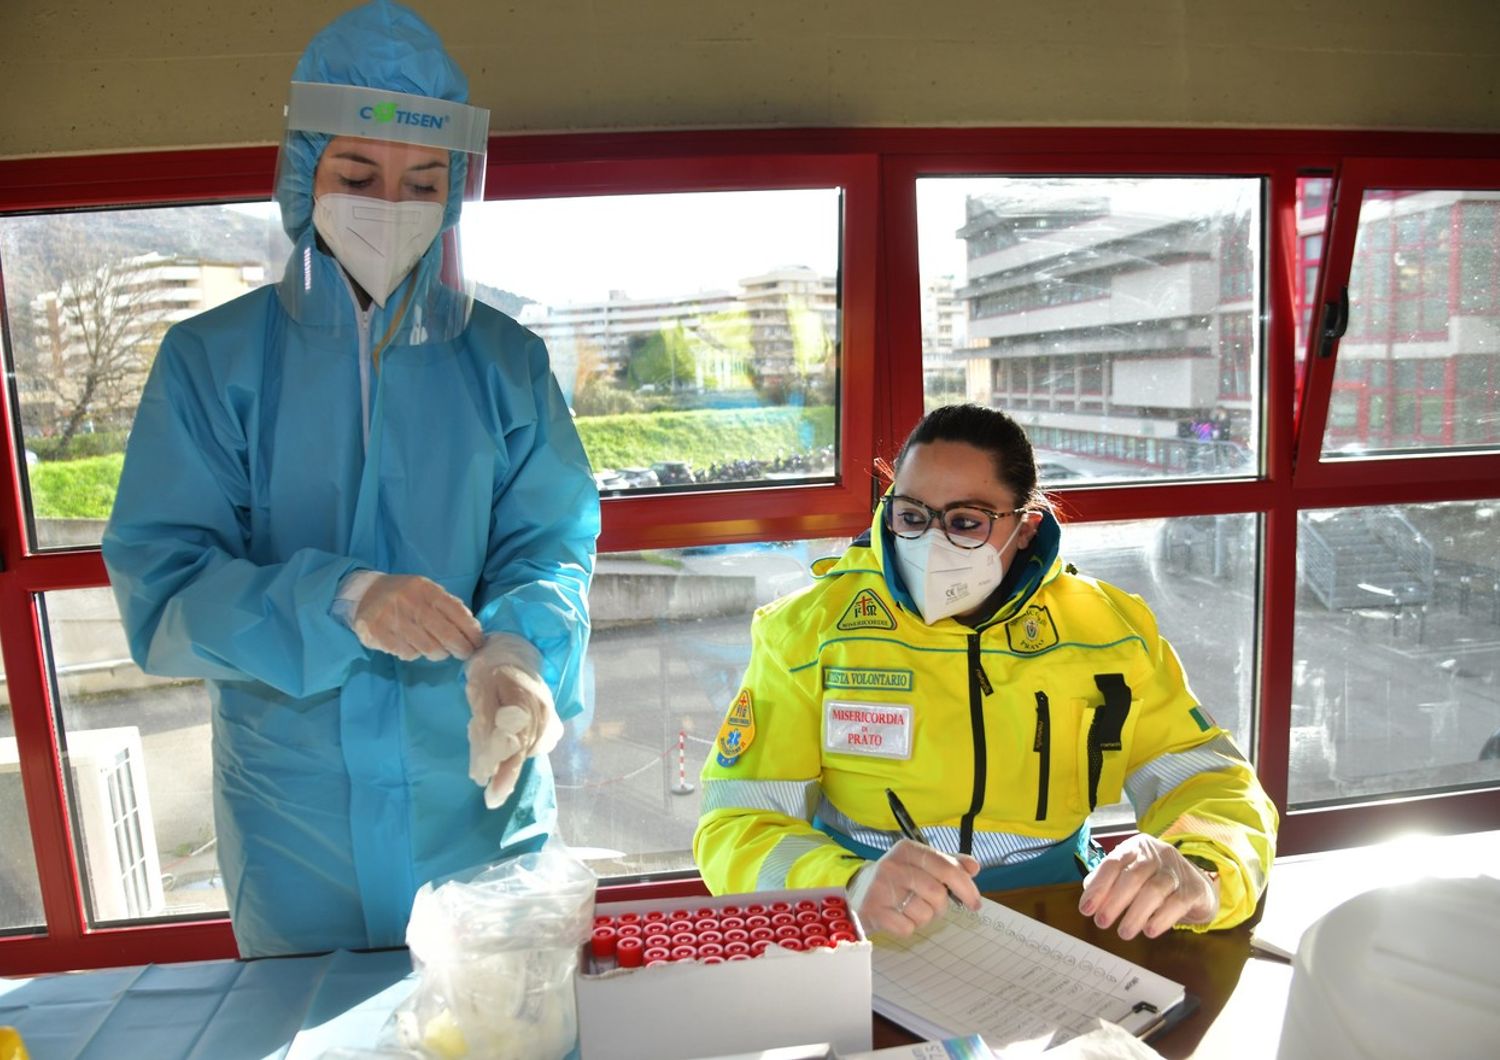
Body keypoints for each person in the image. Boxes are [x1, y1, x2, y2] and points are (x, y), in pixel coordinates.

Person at [101, 0, 598, 957]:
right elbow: (163, 590)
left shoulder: (507, 362)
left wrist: (518, 655)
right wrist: (346, 599)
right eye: (358, 173)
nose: (390, 206)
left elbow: (551, 542)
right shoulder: (213, 360)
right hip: (298, 829)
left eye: (423, 182)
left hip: (477, 800)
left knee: (504, 1026)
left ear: (454, 192)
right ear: (303, 174)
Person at [693, 404, 1276, 940]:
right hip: (876, 917)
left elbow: (1211, 782)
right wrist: (844, 885)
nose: (930, 543)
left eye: (966, 522)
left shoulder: (1107, 632)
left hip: (1064, 912)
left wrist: (1201, 869)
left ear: (1024, 526)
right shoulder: (810, 633)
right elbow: (738, 821)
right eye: (912, 515)